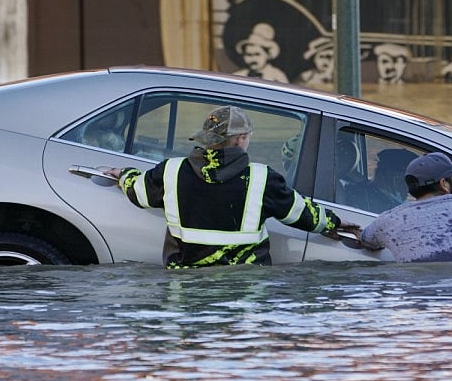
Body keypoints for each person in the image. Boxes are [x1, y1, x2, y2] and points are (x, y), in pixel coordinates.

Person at [104, 106, 357, 268]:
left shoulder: (171, 171)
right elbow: (301, 214)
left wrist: (124, 174)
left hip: (185, 291)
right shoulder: (262, 179)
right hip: (244, 293)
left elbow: (138, 192)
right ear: (240, 139)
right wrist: (333, 223)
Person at [339, 147, 418, 213]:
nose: (412, 185)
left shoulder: (394, 202)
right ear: (392, 175)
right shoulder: (364, 197)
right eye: (410, 178)